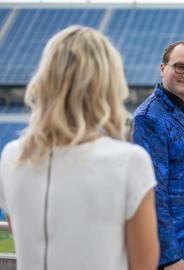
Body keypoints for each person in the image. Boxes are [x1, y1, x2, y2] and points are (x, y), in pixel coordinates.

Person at [0, 25, 159, 270]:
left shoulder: (13, 156)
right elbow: (143, 264)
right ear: (106, 85)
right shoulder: (129, 161)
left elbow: (22, 234)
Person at [132, 41, 184, 270]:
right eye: (180, 67)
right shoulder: (148, 117)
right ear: (162, 68)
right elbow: (153, 192)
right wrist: (170, 258)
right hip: (177, 251)